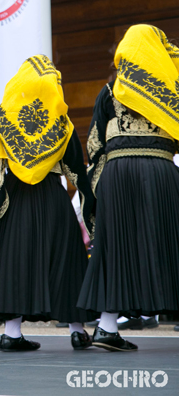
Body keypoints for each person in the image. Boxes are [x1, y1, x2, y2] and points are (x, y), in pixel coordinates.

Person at [0, 55, 96, 352]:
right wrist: (92, 207)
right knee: (65, 263)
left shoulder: (3, 116)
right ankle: (78, 331)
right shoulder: (61, 122)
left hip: (15, 201)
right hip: (53, 200)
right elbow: (76, 169)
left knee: (15, 261)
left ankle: (12, 334)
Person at [78, 25, 179, 352]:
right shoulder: (173, 89)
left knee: (114, 246)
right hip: (160, 171)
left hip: (118, 173)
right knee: (169, 241)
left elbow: (94, 144)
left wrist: (101, 183)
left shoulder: (109, 91)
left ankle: (107, 327)